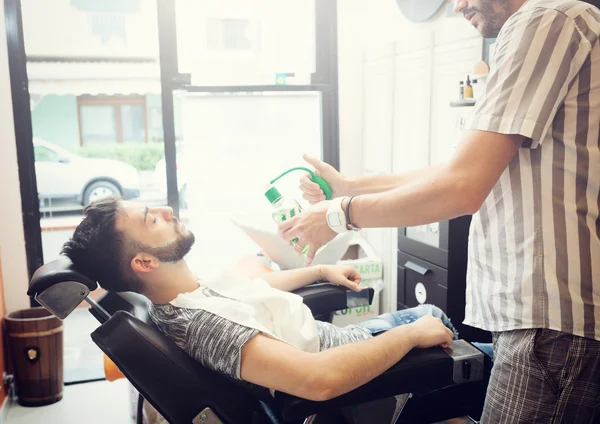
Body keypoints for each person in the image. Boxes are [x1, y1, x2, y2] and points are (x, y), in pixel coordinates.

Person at [278, 0, 600, 422]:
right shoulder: (544, 25)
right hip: (541, 317)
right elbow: (455, 170)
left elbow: (462, 186)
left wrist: (340, 214)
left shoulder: (545, 20)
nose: (458, 6)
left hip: (552, 317)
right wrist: (349, 187)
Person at [61, 197, 466, 405]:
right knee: (481, 350)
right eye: (152, 219)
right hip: (366, 371)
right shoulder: (199, 325)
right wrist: (411, 336)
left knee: (436, 317)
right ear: (145, 261)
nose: (167, 210)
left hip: (357, 339)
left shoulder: (185, 291)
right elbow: (318, 380)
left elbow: (254, 282)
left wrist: (322, 271)